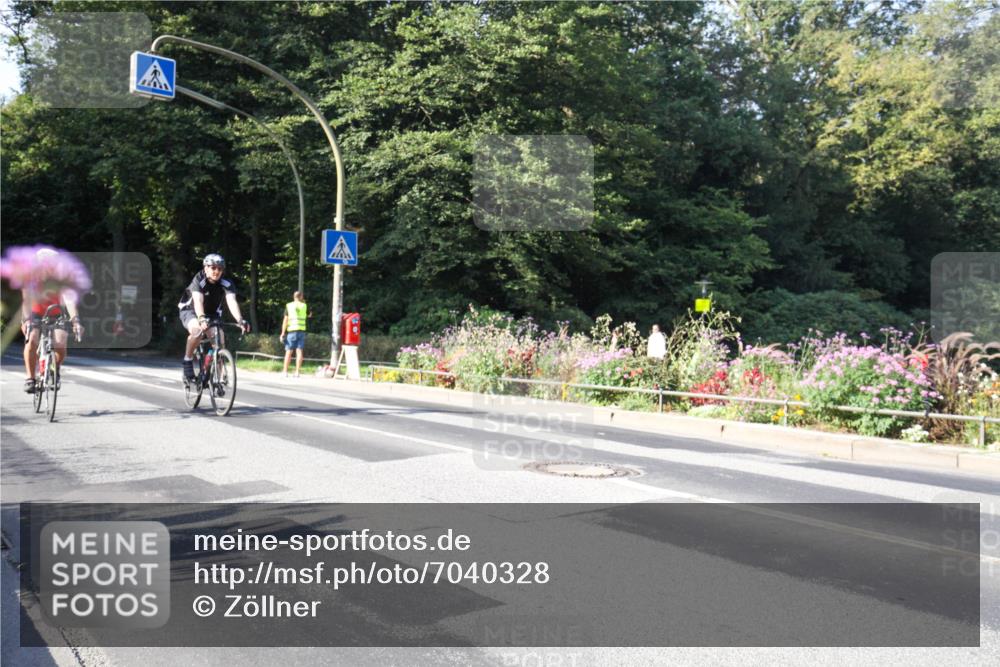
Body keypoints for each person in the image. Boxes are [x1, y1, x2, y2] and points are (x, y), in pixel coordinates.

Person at [20, 249, 85, 393]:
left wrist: (75, 321)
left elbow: (69, 301)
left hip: (55, 313)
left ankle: (53, 368)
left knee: (60, 342)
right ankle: (30, 378)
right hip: (34, 313)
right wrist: (26, 320)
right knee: (32, 339)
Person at [178, 253, 250, 382]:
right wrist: (201, 318)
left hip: (212, 314)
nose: (216, 271)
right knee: (197, 331)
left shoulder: (226, 282)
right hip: (191, 310)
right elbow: (198, 301)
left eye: (220, 268)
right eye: (213, 268)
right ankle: (187, 360)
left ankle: (217, 376)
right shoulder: (199, 279)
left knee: (219, 339)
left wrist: (240, 319)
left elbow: (231, 301)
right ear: (206, 268)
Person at [279, 291, 308, 378]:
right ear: (301, 296)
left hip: (292, 331)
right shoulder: (304, 306)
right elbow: (309, 315)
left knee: (289, 352)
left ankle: (285, 372)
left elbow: (285, 320)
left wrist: (283, 333)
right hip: (301, 331)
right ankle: (297, 372)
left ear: (294, 297)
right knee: (299, 351)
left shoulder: (289, 305)